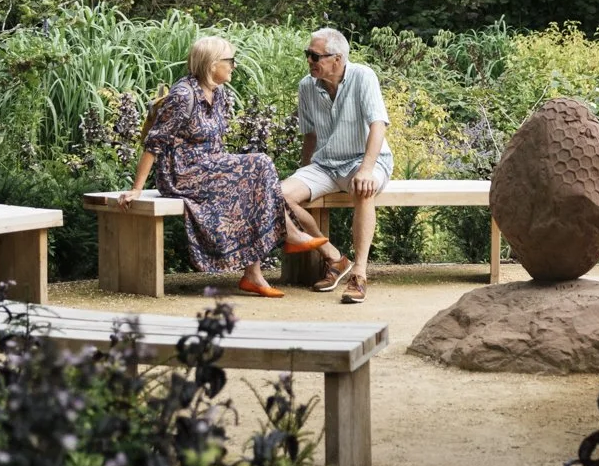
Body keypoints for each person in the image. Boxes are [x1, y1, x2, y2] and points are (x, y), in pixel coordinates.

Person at [117, 35, 327, 299]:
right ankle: (290, 235)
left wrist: (229, 170)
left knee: (253, 177)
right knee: (259, 163)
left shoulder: (219, 93)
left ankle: (253, 275)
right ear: (212, 63)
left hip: (209, 167)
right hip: (181, 173)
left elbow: (215, 144)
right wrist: (137, 189)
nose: (234, 66)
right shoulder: (183, 95)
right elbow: (154, 143)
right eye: (230, 60)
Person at [281, 27, 393, 305]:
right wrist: (304, 175)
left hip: (364, 159)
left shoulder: (363, 76)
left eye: (315, 56)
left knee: (363, 189)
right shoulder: (307, 86)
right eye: (308, 54)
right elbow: (310, 136)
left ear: (337, 59)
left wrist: (366, 169)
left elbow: (378, 125)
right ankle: (334, 257)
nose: (309, 60)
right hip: (325, 165)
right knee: (277, 195)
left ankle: (359, 273)